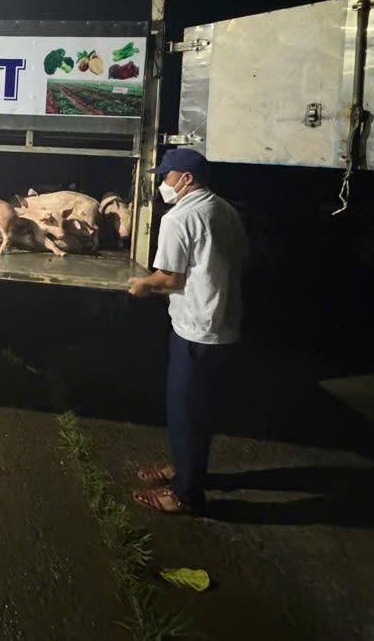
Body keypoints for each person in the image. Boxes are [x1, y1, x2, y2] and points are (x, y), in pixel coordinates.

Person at [126, 148, 247, 515]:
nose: (164, 183)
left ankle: (184, 494)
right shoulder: (224, 209)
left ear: (186, 179)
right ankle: (185, 468)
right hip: (224, 323)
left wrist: (143, 285)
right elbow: (240, 257)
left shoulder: (180, 217)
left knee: (185, 411)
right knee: (199, 408)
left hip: (197, 329)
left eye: (167, 176)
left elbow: (170, 278)